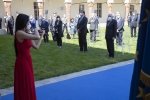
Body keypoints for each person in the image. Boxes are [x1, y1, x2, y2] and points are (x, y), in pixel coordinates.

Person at [14, 13, 45, 100]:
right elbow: (36, 36)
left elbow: (36, 46)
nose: (28, 24)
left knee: (29, 82)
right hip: (22, 62)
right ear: (23, 22)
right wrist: (35, 26)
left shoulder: (25, 33)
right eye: (27, 22)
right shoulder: (19, 33)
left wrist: (41, 35)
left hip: (28, 60)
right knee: (25, 83)